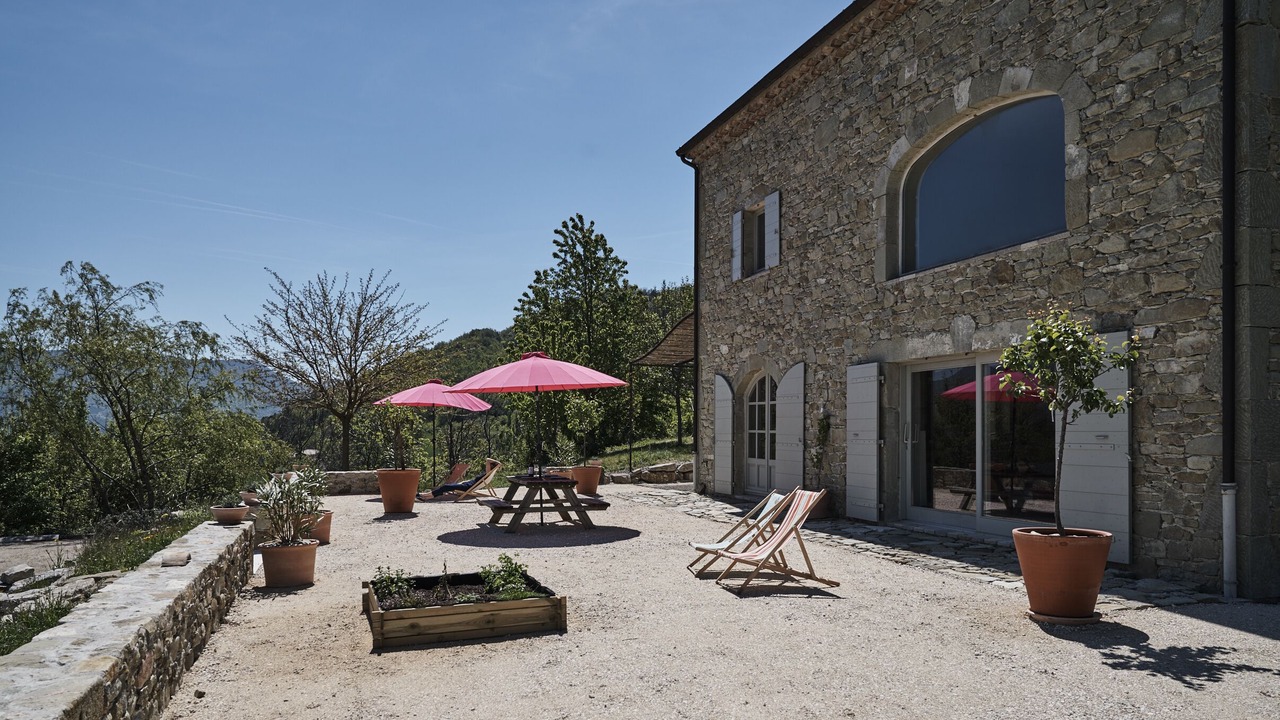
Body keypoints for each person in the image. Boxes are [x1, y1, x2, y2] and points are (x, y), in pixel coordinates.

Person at [428, 459, 498, 499]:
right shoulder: (487, 474)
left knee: (446, 486)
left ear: (490, 466)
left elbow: (488, 460)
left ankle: (426, 495)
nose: (486, 466)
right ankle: (427, 496)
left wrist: (498, 463)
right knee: (446, 487)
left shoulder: (487, 473)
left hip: (467, 487)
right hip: (466, 484)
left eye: (488, 465)